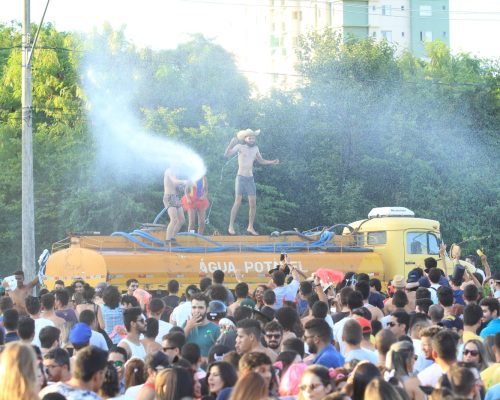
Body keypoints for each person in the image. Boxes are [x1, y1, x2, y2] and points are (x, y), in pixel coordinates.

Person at [224, 128, 279, 235]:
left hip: (250, 178)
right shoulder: (239, 147)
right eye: (250, 138)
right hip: (240, 177)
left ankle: (250, 227)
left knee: (253, 204)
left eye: (253, 138)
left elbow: (261, 161)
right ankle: (230, 225)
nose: (252, 140)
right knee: (237, 201)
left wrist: (272, 162)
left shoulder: (255, 148)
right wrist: (230, 144)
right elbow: (227, 154)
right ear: (245, 139)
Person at [39, 345, 108, 399]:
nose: (104, 378)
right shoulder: (92, 398)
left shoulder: (46, 392)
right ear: (98, 375)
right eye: (104, 374)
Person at [184, 293, 221, 358]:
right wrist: (188, 328)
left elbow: (219, 354)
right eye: (194, 307)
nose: (197, 311)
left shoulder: (216, 329)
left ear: (207, 309)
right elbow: (176, 345)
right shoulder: (185, 325)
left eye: (200, 307)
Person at [163, 168, 189, 243]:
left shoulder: (176, 173)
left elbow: (176, 187)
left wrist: (183, 186)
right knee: (174, 219)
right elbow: (174, 181)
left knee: (181, 220)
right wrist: (184, 181)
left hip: (176, 197)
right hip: (169, 197)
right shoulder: (169, 171)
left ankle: (172, 237)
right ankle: (168, 240)